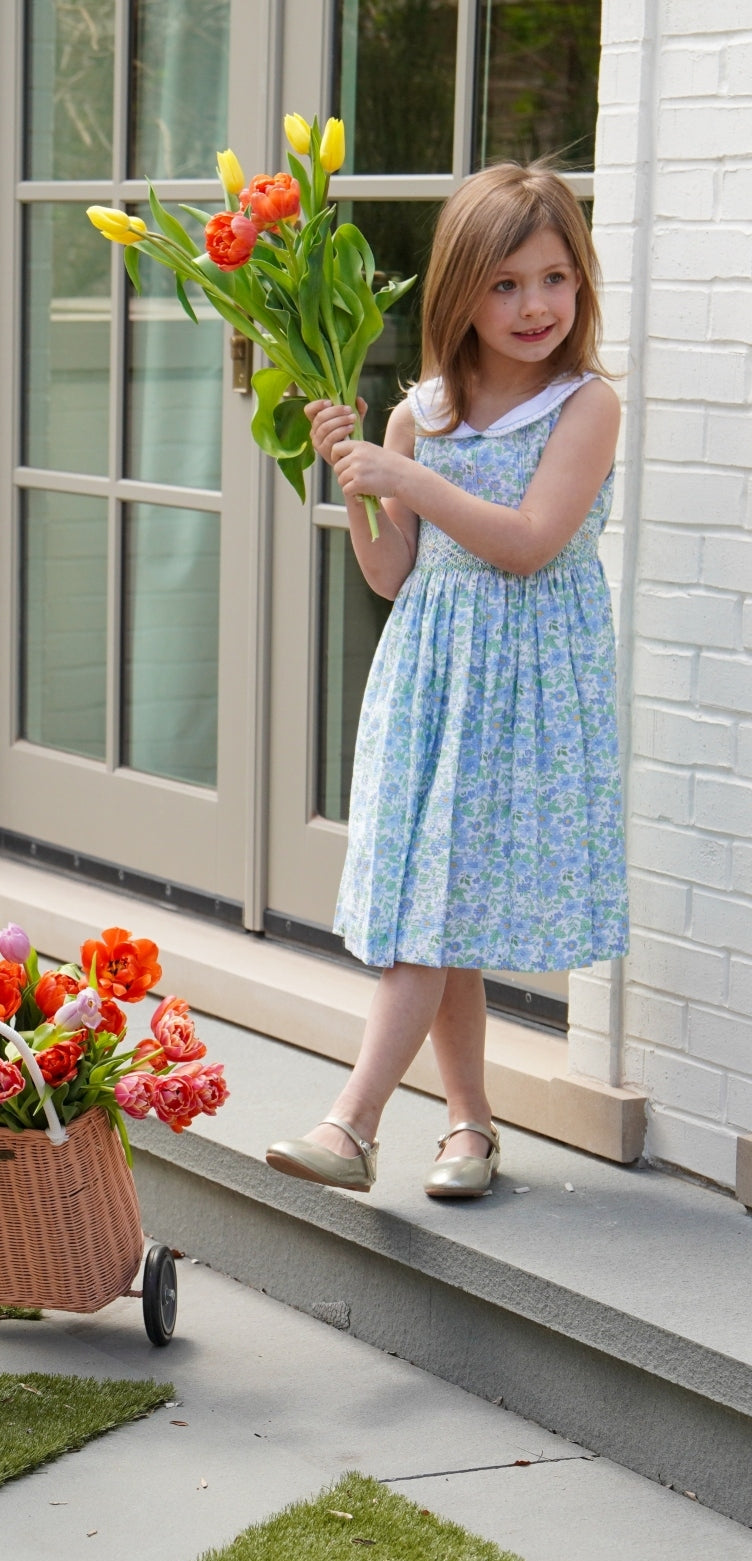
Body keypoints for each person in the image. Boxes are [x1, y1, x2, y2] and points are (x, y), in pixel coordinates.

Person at [267, 162, 627, 1200]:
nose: (535, 306)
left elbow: (527, 543)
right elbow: (391, 573)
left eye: (554, 278)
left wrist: (407, 476)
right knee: (440, 910)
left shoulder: (584, 406)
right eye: (506, 284)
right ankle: (468, 1125)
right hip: (432, 681)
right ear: (461, 292)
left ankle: (353, 1122)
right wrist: (356, 482)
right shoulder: (420, 413)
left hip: (525, 693)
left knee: (436, 905)